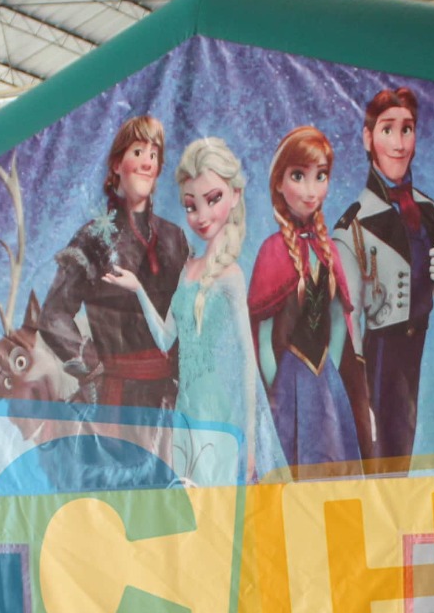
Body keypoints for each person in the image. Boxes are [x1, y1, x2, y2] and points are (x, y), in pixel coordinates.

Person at [105, 137, 284, 484]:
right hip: (185, 411)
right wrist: (138, 289)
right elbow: (165, 338)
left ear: (235, 196)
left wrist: (249, 441)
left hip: (215, 410)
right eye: (191, 206)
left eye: (212, 200)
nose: (201, 216)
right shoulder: (187, 271)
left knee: (215, 501)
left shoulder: (231, 276)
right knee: (191, 502)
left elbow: (247, 361)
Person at [333, 86, 434, 466]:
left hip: (422, 352)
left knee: (413, 457)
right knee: (383, 463)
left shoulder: (430, 211)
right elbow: (348, 322)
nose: (399, 143)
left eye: (407, 129)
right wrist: (359, 396)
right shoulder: (353, 226)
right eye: (387, 129)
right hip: (381, 359)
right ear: (368, 138)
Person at [37, 115, 189, 411]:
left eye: (153, 155)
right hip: (117, 402)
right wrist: (91, 367)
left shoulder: (176, 239)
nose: (147, 163)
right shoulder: (93, 237)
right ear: (117, 165)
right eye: (138, 152)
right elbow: (53, 316)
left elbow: (192, 319)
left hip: (172, 402)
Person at [248, 126, 361, 470]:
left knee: (331, 461)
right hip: (288, 383)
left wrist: (331, 376)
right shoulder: (272, 251)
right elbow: (263, 335)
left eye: (320, 176)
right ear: (279, 184)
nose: (311, 191)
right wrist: (276, 388)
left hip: (324, 379)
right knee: (293, 464)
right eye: (299, 176)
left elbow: (339, 321)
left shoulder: (328, 251)